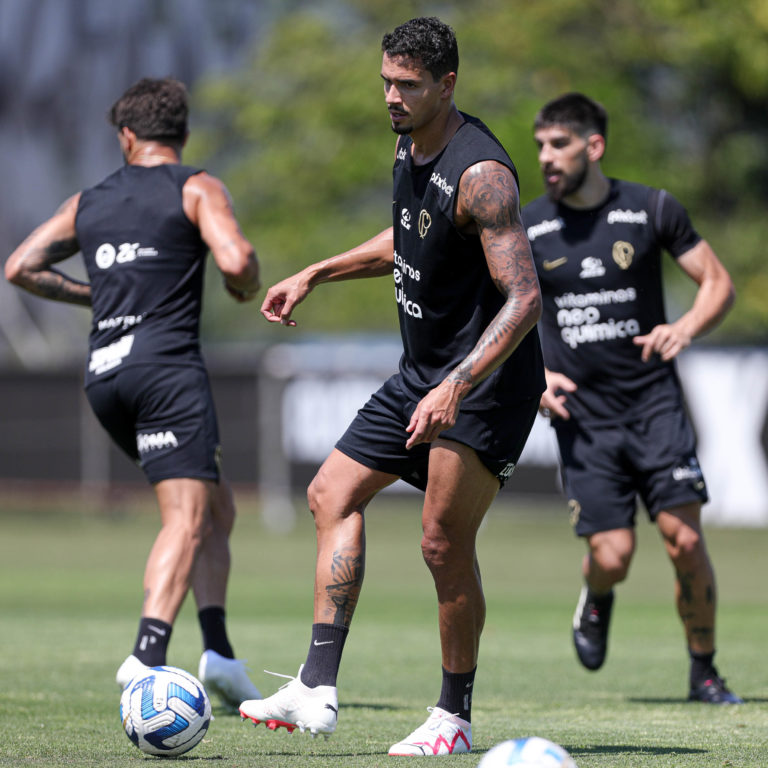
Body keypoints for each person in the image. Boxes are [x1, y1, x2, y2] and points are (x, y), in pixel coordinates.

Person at [238, 17, 544, 756]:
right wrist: (317, 270)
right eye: (386, 82)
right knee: (329, 494)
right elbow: (409, 234)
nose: (392, 97)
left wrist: (459, 385)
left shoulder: (484, 175)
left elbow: (525, 297)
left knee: (441, 542)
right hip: (421, 373)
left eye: (408, 85)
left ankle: (454, 718)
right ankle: (314, 689)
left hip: (486, 382)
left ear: (448, 84)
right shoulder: (408, 141)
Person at [5, 77, 263, 709]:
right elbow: (235, 260)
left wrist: (92, 294)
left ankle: (220, 654)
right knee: (187, 515)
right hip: (166, 371)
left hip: (106, 376)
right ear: (182, 133)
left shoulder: (87, 201)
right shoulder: (196, 186)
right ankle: (146, 656)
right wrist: (245, 282)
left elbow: (20, 267)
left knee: (215, 506)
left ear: (126, 135)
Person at [521, 92, 741, 704]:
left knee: (687, 541)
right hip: (582, 419)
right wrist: (533, 377)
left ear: (594, 147)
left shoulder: (651, 209)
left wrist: (686, 327)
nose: (546, 156)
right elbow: (501, 314)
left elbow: (718, 284)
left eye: (558, 144)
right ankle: (598, 593)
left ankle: (704, 670)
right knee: (613, 555)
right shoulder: (529, 226)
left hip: (654, 407)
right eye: (540, 145)